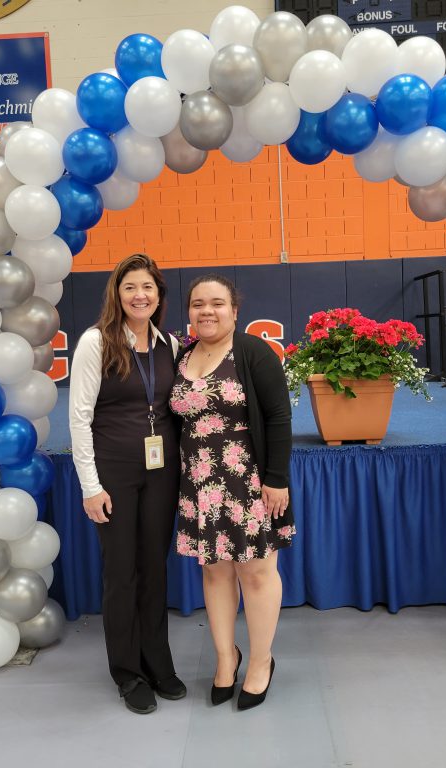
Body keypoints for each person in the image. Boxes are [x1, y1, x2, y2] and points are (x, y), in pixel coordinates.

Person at [169, 274, 294, 710]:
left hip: (249, 483)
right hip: (199, 484)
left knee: (257, 574)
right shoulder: (183, 355)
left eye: (217, 303)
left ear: (235, 311)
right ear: (189, 312)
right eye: (198, 303)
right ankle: (226, 658)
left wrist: (276, 479)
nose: (207, 311)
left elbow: (278, 417)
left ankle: (261, 661)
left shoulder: (253, 352)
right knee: (215, 572)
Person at [69, 254, 185, 715]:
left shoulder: (170, 344)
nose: (140, 295)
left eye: (148, 288)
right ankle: (127, 671)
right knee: (122, 573)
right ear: (117, 294)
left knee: (155, 570)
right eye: (130, 287)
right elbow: (79, 420)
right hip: (113, 472)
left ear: (159, 296)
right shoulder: (96, 342)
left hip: (161, 471)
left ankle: (157, 662)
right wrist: (90, 487)